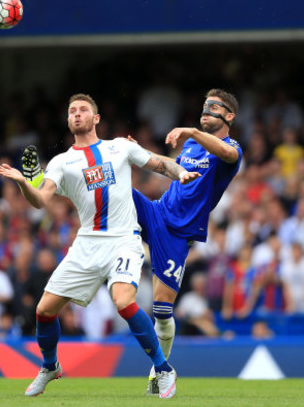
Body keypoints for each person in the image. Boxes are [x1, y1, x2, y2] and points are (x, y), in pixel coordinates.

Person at [0, 93, 199, 398]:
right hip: (87, 243)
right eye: (72, 111)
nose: (77, 114)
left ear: (96, 118)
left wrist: (181, 172)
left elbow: (159, 164)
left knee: (123, 301)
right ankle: (51, 366)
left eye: (83, 110)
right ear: (68, 120)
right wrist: (24, 183)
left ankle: (164, 368)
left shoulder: (119, 147)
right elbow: (40, 200)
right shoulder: (62, 162)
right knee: (44, 311)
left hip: (123, 240)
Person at [129, 88, 242, 395]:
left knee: (162, 312)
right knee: (111, 186)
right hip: (158, 212)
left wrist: (192, 129)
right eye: (204, 106)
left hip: (179, 233)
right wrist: (140, 153)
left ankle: (160, 369)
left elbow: (227, 154)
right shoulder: (192, 144)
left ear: (229, 116)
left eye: (213, 107)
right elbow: (170, 166)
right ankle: (45, 181)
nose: (206, 110)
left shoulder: (231, 150)